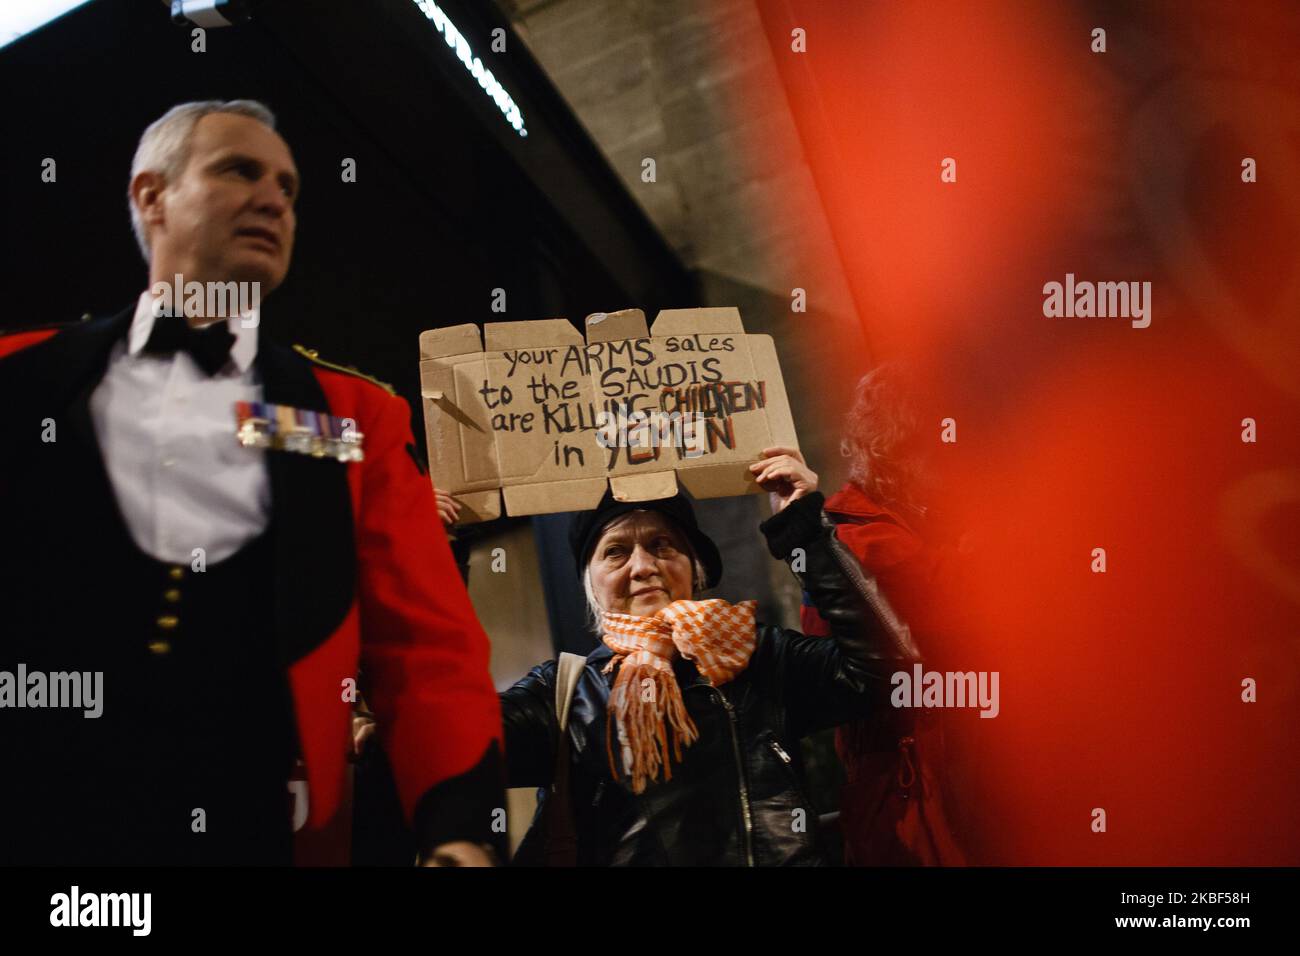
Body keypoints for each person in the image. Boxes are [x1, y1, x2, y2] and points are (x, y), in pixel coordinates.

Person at [0, 100, 502, 866]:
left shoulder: (355, 416)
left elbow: (427, 648)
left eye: (288, 188)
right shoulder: (18, 375)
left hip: (255, 824)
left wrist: (459, 829)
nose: (274, 200)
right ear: (151, 196)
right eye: (240, 171)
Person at [493, 446, 917, 865]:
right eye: (616, 551)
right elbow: (458, 751)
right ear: (590, 583)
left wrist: (804, 531)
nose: (642, 566)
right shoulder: (562, 696)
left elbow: (887, 676)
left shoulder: (759, 656)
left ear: (695, 569)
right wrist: (451, 561)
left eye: (662, 545)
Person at [801, 365, 968, 865]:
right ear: (896, 450)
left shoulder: (921, 521)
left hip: (958, 778)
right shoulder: (850, 535)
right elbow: (944, 596)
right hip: (910, 789)